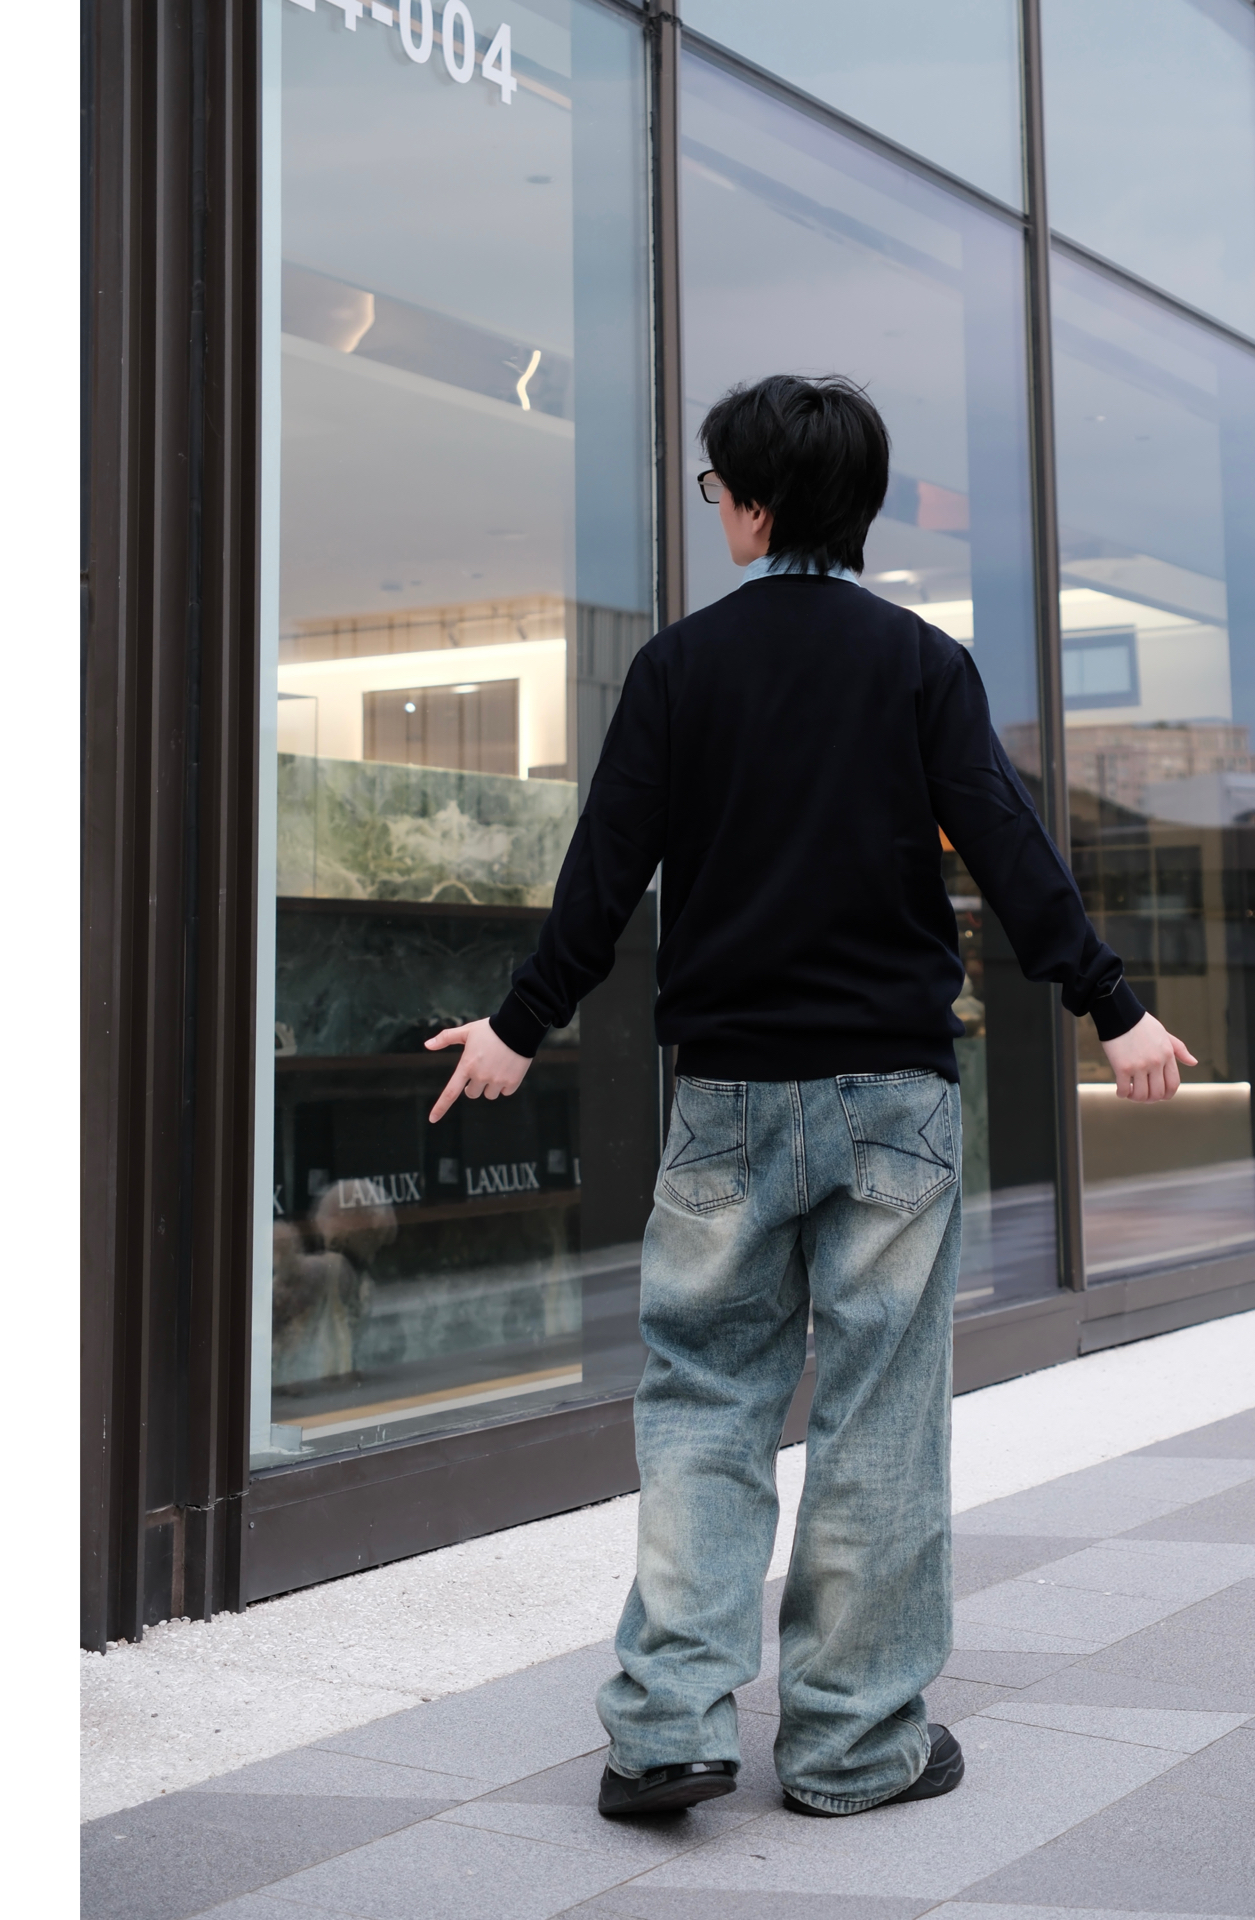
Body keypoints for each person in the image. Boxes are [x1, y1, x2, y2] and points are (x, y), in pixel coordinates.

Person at [425, 374, 1196, 1820]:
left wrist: (520, 1026)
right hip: (893, 1098)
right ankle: (851, 1745)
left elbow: (606, 871)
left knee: (705, 1402)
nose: (715, 507)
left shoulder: (680, 668)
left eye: (717, 488)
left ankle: (668, 1728)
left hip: (727, 1100)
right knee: (880, 1416)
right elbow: (1012, 850)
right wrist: (1113, 1005)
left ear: (757, 507)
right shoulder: (920, 665)